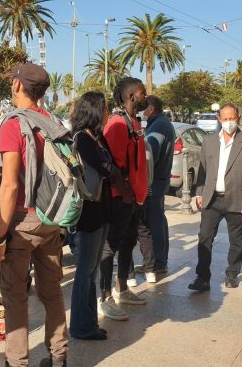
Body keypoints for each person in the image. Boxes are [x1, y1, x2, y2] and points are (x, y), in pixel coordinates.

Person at [0, 63, 68, 367]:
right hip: (51, 218)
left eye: (12, 81)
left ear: (19, 86)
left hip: (21, 221)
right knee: (52, 293)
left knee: (15, 296)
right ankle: (59, 357)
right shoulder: (53, 122)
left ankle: (17, 362)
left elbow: (8, 186)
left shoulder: (13, 125)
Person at [69, 92, 129, 341]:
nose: (108, 112)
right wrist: (112, 171)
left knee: (91, 269)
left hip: (102, 208)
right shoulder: (82, 138)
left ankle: (89, 323)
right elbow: (105, 167)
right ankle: (80, 327)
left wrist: (112, 171)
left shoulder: (97, 136)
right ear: (94, 110)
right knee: (85, 270)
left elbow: (112, 164)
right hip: (88, 211)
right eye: (105, 108)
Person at [96, 77, 149, 321]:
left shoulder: (134, 121)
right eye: (142, 92)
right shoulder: (118, 123)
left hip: (134, 198)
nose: (145, 96)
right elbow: (112, 165)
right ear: (131, 96)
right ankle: (104, 297)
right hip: (120, 199)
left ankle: (122, 289)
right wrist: (126, 194)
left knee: (129, 242)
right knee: (110, 246)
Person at [190, 104, 242, 291]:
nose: (229, 122)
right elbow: (202, 170)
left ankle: (232, 274)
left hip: (238, 199)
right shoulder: (209, 141)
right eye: (225, 119)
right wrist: (199, 192)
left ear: (238, 118)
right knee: (204, 238)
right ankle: (202, 277)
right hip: (212, 198)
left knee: (236, 240)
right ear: (219, 119)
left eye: (232, 118)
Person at [142, 95, 175, 281]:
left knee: (155, 223)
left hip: (155, 182)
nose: (141, 110)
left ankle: (158, 263)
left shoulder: (159, 125)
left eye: (143, 107)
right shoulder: (159, 123)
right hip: (158, 180)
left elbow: (149, 154)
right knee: (158, 221)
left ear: (151, 108)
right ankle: (157, 261)